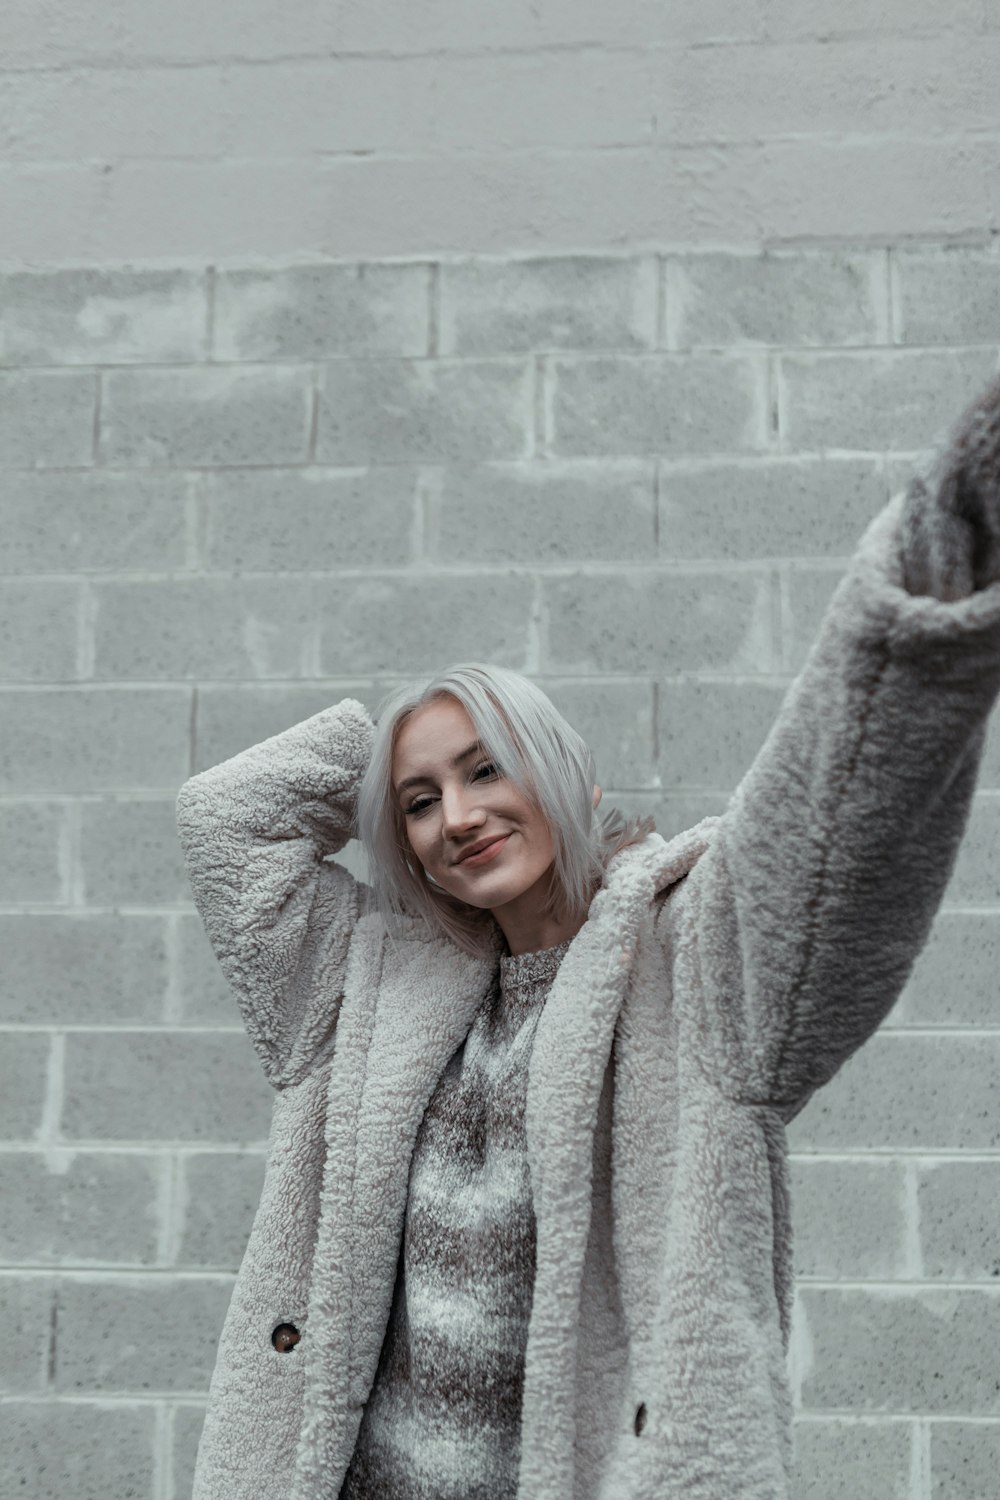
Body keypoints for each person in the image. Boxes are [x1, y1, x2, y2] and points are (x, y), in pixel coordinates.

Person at [176, 372, 1000, 1500]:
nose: (455, 816)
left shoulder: (692, 961)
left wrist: (940, 554)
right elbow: (228, 825)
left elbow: (833, 824)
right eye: (416, 803)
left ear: (567, 773)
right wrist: (375, 744)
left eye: (486, 767)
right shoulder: (365, 989)